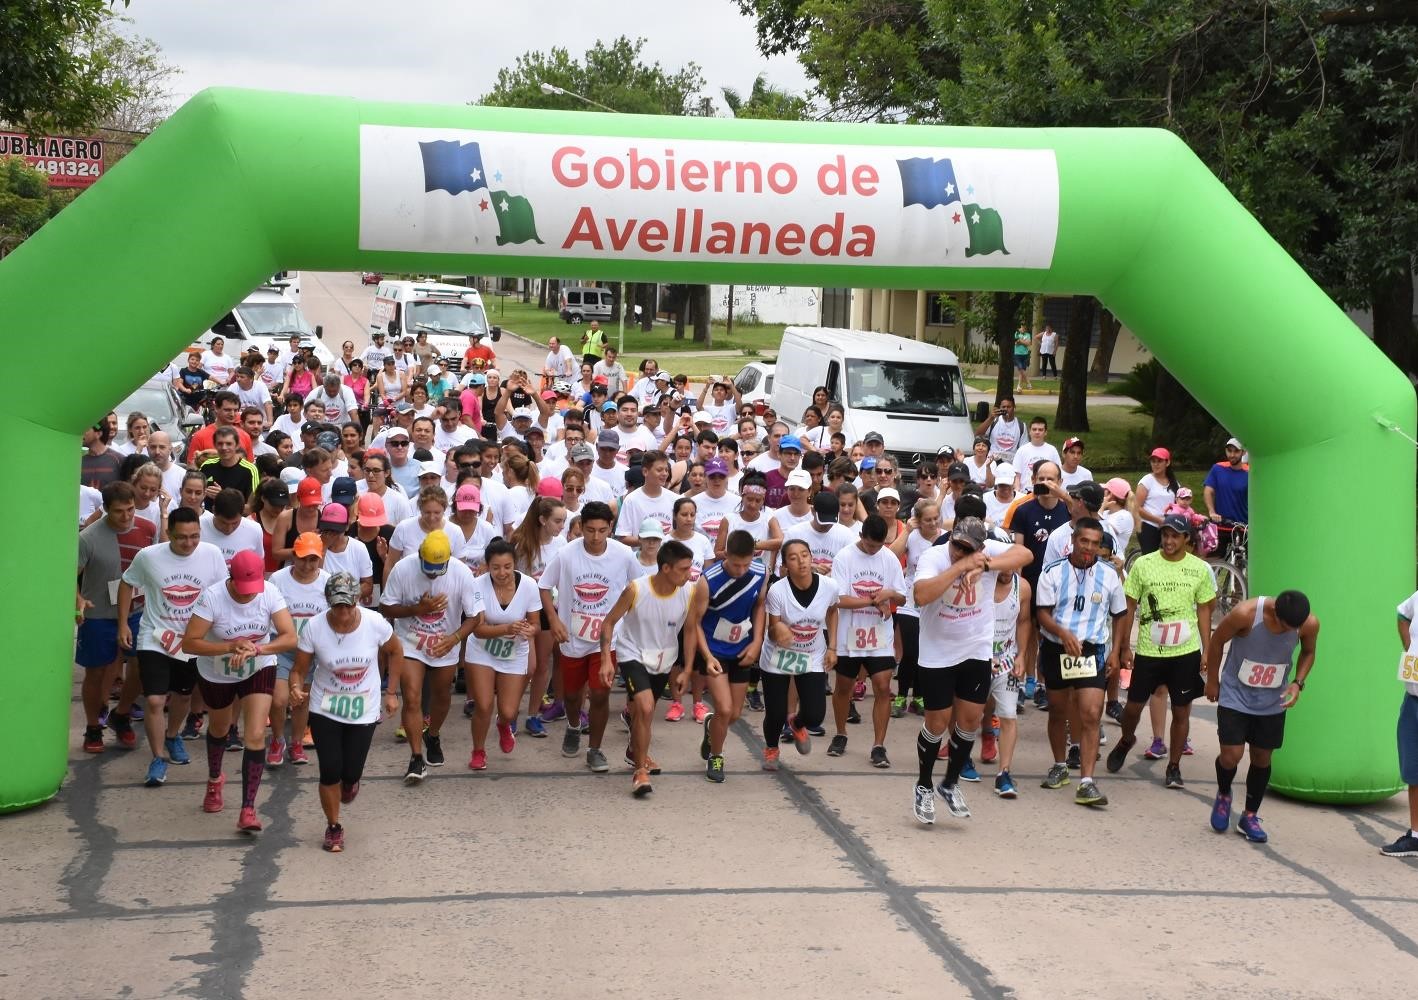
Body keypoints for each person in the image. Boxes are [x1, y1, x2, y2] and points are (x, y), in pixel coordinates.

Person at [909, 517, 1031, 824]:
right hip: (938, 650)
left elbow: (1025, 555)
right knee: (937, 723)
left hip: (976, 647)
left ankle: (949, 783)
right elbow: (920, 595)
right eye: (955, 545)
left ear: (979, 547)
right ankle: (923, 784)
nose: (958, 551)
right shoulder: (934, 557)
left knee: (970, 720)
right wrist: (960, 568)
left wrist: (985, 566)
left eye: (966, 549)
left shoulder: (987, 552)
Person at [180, 550, 298, 832]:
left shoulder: (269, 592)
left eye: (252, 590)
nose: (248, 596)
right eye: (243, 590)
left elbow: (289, 637)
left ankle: (248, 808)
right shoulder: (212, 597)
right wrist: (229, 646)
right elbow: (189, 643)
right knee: (220, 729)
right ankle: (214, 780)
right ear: (231, 579)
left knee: (255, 734)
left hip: (258, 666)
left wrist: (258, 649)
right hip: (217, 672)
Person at [289, 572, 402, 851]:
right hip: (325, 705)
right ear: (328, 603)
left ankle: (350, 783)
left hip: (363, 706)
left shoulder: (375, 623)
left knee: (350, 772)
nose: (342, 613)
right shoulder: (314, 628)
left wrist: (391, 693)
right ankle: (334, 827)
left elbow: (396, 652)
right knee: (330, 771)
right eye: (337, 606)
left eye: (348, 606)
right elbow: (299, 669)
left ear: (357, 602)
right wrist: (295, 688)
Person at [117, 506, 228, 786]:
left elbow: (220, 594)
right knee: (154, 699)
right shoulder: (148, 556)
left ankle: (172, 735)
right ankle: (157, 758)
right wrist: (122, 624)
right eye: (182, 538)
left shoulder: (212, 554)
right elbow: (126, 583)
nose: (189, 543)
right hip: (154, 636)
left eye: (194, 537)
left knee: (182, 695)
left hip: (191, 640)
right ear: (168, 534)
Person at [1106, 513, 1218, 789]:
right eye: (1165, 535)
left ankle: (1174, 767)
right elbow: (1128, 607)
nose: (1168, 540)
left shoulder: (1200, 569)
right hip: (1149, 651)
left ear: (1186, 539)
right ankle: (1126, 739)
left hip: (1185, 651)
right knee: (1132, 708)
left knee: (1181, 712)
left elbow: (1205, 610)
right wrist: (1123, 647)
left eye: (1174, 536)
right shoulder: (1144, 565)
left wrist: (1206, 651)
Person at [1203, 591, 1318, 843]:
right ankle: (1224, 794)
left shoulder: (1308, 623)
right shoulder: (1245, 614)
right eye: (1287, 627)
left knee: (1262, 757)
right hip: (1235, 693)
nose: (1292, 632)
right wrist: (1212, 680)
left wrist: (1298, 682)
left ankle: (1250, 815)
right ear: (1275, 611)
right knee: (1230, 756)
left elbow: (1308, 652)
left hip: (1271, 701)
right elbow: (1217, 641)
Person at [539, 501, 639, 773]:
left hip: (607, 639)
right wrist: (554, 619)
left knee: (599, 693)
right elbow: (544, 587)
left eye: (602, 531)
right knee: (571, 697)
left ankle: (595, 749)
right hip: (572, 638)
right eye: (590, 530)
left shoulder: (624, 554)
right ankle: (573, 726)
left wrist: (628, 621)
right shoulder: (566, 554)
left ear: (610, 529)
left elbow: (637, 588)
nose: (596, 537)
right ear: (580, 527)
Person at [1035, 518, 1128, 807]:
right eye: (1084, 541)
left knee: (1090, 713)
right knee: (1058, 711)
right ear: (1074, 541)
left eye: (1094, 543)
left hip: (1091, 650)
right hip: (1056, 648)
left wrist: (1116, 651)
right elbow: (1042, 614)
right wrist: (1062, 634)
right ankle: (1059, 765)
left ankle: (1087, 781)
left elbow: (1120, 613)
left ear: (1101, 547)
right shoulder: (1051, 572)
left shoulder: (1109, 575)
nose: (1088, 547)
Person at [599, 539, 698, 797]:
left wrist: (687, 669)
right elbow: (608, 623)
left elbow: (689, 631)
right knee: (645, 707)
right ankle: (640, 772)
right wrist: (606, 660)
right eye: (684, 569)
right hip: (632, 654)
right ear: (666, 568)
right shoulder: (636, 589)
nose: (689, 574)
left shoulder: (690, 593)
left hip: (663, 661)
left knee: (643, 714)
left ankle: (635, 751)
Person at [380, 530, 480, 782]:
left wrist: (454, 639)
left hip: (444, 644)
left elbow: (475, 616)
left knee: (442, 696)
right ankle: (416, 759)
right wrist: (417, 609)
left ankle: (432, 734)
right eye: (428, 567)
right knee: (412, 698)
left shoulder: (462, 573)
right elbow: (386, 606)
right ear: (420, 555)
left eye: (439, 568)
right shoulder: (403, 569)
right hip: (410, 643)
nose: (433, 572)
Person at [77, 481, 156, 753]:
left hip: (137, 611)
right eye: (119, 511)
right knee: (96, 673)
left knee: (142, 666)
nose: (126, 517)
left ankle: (121, 715)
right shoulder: (88, 538)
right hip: (99, 613)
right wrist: (78, 600)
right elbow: (69, 575)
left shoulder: (148, 529)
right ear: (106, 510)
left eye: (131, 509)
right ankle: (93, 727)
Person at [828, 515, 907, 768]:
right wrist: (874, 601)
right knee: (843, 687)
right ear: (861, 536)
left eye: (879, 545)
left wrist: (890, 594)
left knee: (883, 687)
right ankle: (841, 733)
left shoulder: (889, 558)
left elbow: (903, 598)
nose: (875, 550)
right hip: (849, 634)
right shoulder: (844, 557)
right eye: (870, 545)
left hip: (879, 635)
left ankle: (878, 745)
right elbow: (839, 599)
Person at [691, 529, 768, 782]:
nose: (741, 570)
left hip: (742, 648)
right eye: (736, 564)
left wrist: (757, 641)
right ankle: (716, 756)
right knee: (724, 709)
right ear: (726, 556)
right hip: (714, 649)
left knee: (733, 714)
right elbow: (695, 623)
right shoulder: (707, 580)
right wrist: (707, 656)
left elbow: (759, 607)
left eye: (746, 564)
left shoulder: (760, 572)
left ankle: (712, 727)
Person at [758, 539, 839, 770]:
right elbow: (771, 631)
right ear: (785, 565)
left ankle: (796, 722)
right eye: (793, 558)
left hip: (812, 654)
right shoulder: (777, 591)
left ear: (811, 558)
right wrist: (778, 630)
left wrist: (832, 646)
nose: (801, 561)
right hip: (778, 657)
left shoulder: (829, 586)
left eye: (805, 555)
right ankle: (772, 748)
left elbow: (833, 611)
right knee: (774, 712)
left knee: (815, 715)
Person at [465, 539, 541, 771]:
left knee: (508, 711)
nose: (502, 572)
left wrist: (530, 630)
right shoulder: (476, 585)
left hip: (514, 651)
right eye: (496, 567)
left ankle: (503, 724)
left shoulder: (528, 585)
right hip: (482, 651)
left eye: (507, 566)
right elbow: (477, 630)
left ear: (514, 564)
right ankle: (478, 751)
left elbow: (536, 623)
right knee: (484, 705)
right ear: (487, 566)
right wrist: (507, 629)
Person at [266, 533, 328, 768]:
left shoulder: (327, 582)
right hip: (282, 646)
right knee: (280, 698)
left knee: (301, 701)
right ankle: (277, 740)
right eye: (302, 559)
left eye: (313, 560)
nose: (307, 565)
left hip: (310, 652)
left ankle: (296, 743)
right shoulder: (278, 580)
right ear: (294, 556)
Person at [985, 563, 1031, 798]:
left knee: (1008, 715)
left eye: (1011, 566)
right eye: (1001, 565)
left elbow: (1023, 622)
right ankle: (963, 757)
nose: (1006, 571)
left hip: (1006, 660)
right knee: (968, 714)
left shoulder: (1022, 587)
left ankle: (1004, 773)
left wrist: (1022, 655)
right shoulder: (980, 582)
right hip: (977, 658)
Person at [1387, 590, 1418, 858]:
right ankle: (1416, 835)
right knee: (1413, 769)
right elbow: (1402, 614)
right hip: (1413, 697)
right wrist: (1409, 648)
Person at [1203, 436, 1250, 559]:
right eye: (1229, 451)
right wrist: (1212, 511)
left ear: (1243, 452)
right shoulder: (1218, 468)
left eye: (1236, 451)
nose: (1232, 455)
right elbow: (1208, 491)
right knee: (1212, 562)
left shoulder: (1249, 473)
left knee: (1243, 563)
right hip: (1221, 524)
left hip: (1242, 526)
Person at [1135, 447, 1178, 555]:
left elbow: (1179, 504)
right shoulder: (1146, 481)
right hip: (1148, 525)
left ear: (1167, 463)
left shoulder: (1174, 484)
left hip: (1168, 527)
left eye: (1159, 461)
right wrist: (1158, 520)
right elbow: (1137, 507)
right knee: (1150, 558)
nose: (1156, 464)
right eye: (1153, 461)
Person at [1012, 323, 1034, 390]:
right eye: (1022, 327)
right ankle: (1028, 383)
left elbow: (1029, 343)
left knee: (1022, 370)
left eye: (1024, 327)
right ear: (1020, 327)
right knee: (1020, 369)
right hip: (1017, 354)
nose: (1023, 328)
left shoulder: (1028, 334)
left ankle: (1019, 386)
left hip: (1025, 354)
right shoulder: (1016, 333)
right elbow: (1015, 343)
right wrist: (1024, 342)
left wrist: (1020, 341)